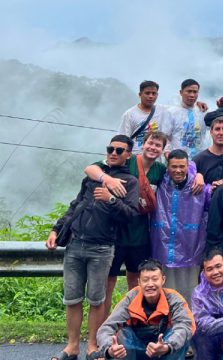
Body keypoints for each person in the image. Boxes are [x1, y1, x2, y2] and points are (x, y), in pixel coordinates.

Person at [83, 132, 205, 320]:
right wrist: (107, 179)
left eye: (158, 145)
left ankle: (135, 324)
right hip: (114, 233)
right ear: (143, 143)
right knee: (109, 283)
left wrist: (198, 175)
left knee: (136, 283)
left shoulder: (160, 170)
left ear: (162, 150)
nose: (153, 148)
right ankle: (104, 331)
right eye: (150, 143)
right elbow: (90, 168)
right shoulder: (127, 161)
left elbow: (181, 168)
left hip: (140, 234)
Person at [46, 135, 139, 360]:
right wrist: (56, 230)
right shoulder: (94, 175)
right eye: (111, 149)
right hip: (75, 244)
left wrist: (111, 199)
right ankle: (72, 346)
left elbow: (131, 215)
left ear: (128, 155)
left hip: (102, 247)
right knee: (72, 298)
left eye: (119, 150)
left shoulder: (130, 181)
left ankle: (92, 346)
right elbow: (76, 205)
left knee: (97, 300)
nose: (113, 153)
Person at [97, 259, 195, 360]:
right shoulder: (130, 298)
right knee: (122, 334)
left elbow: (186, 325)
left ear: (163, 280)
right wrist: (109, 349)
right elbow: (106, 328)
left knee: (182, 336)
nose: (150, 284)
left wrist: (167, 346)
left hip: (164, 348)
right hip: (137, 348)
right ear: (139, 282)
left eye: (155, 279)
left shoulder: (174, 298)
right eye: (145, 280)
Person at [150, 149, 210, 306]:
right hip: (163, 247)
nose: (178, 170)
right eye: (174, 166)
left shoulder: (198, 186)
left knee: (190, 290)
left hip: (191, 248)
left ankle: (190, 325)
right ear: (167, 167)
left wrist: (200, 176)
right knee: (166, 290)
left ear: (187, 166)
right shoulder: (160, 182)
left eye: (182, 166)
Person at [119, 81, 173, 154]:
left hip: (154, 157)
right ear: (140, 94)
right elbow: (123, 138)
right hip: (135, 156)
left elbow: (179, 110)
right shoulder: (130, 114)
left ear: (157, 95)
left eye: (154, 93)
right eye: (147, 93)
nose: (151, 96)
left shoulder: (163, 111)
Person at [168, 79, 211, 158]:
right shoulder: (171, 113)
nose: (192, 95)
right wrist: (167, 154)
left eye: (195, 92)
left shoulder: (202, 111)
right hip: (178, 160)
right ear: (181, 92)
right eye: (189, 91)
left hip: (199, 158)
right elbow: (166, 136)